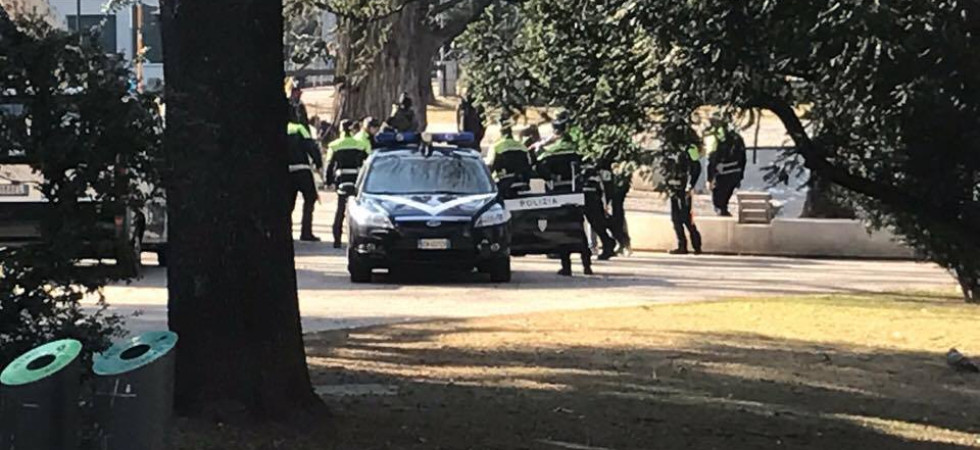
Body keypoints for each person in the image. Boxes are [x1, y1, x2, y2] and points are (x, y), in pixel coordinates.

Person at [537, 119, 594, 276]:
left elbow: (540, 167)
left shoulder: (552, 152)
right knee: (579, 228)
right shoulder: (577, 149)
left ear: (555, 132)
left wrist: (550, 177)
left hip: (559, 194)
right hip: (577, 194)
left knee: (563, 231)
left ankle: (566, 267)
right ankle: (587, 265)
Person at [326, 119, 371, 248]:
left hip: (342, 182)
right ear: (352, 130)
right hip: (356, 183)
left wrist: (328, 181)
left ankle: (337, 240)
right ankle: (357, 240)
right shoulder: (360, 145)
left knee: (340, 211)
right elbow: (368, 162)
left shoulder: (334, 145)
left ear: (341, 130)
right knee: (357, 211)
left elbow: (329, 166)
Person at [288, 106, 323, 242]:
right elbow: (311, 147)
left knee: (288, 204)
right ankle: (306, 232)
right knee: (310, 199)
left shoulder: (276, 130)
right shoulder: (299, 128)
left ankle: (287, 232)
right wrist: (318, 164)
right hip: (302, 170)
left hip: (286, 172)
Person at [668, 130, 704, 255]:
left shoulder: (690, 148)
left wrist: (690, 185)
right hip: (674, 188)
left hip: (685, 188)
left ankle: (697, 246)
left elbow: (696, 167)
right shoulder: (671, 149)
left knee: (686, 219)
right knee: (675, 219)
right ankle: (682, 246)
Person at [706, 114, 747, 216]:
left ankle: (721, 212)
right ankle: (723, 210)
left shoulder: (715, 136)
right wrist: (740, 175)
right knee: (724, 198)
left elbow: (712, 158)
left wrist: (710, 177)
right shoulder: (737, 137)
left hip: (722, 173)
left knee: (719, 199)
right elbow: (743, 158)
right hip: (734, 172)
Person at [486, 119, 533, 198]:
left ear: (501, 134)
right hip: (522, 178)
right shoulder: (521, 145)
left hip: (503, 179)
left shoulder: (496, 146)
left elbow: (490, 164)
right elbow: (529, 162)